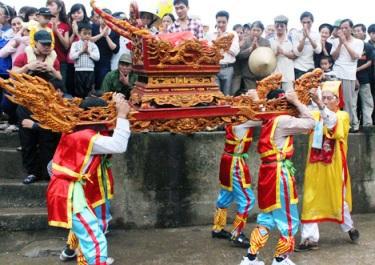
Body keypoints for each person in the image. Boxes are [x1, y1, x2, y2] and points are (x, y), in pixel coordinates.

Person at [47, 93, 130, 265]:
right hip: (70, 191)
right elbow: (119, 145)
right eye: (104, 114)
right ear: (94, 116)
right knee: (95, 237)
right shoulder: (86, 137)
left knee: (85, 228)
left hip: (72, 188)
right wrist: (121, 116)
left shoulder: (73, 128)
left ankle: (72, 251)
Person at [239, 90, 315, 265]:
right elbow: (312, 122)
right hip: (279, 174)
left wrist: (257, 99)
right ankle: (280, 259)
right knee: (289, 219)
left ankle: (250, 258)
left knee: (266, 218)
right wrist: (296, 101)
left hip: (267, 172)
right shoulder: (282, 120)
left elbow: (264, 110)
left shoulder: (269, 118)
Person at [298, 86, 360, 251]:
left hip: (334, 166)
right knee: (310, 199)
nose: (325, 101)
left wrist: (319, 103)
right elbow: (301, 115)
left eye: (328, 98)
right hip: (315, 165)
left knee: (337, 200)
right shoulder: (315, 113)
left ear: (337, 100)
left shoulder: (343, 116)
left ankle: (348, 227)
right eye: (323, 97)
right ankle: (309, 239)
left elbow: (332, 123)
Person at [212, 90, 260, 248]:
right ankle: (237, 234)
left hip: (227, 160)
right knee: (247, 200)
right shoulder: (243, 121)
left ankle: (218, 228)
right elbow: (265, 117)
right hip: (235, 163)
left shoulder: (234, 118)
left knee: (225, 195)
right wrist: (256, 99)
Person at [331, 19, 364, 132]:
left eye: (346, 28)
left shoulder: (358, 42)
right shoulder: (335, 41)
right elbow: (334, 57)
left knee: (348, 102)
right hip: (336, 72)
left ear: (351, 29)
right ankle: (334, 124)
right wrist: (340, 43)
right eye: (342, 28)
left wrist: (345, 42)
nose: (343, 30)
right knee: (334, 100)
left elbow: (355, 56)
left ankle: (349, 124)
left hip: (349, 74)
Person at [207, 10, 239, 95]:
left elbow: (234, 51)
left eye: (223, 22)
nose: (221, 25)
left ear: (227, 22)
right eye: (219, 22)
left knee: (227, 95)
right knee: (215, 95)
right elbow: (208, 51)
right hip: (214, 68)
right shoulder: (210, 35)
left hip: (228, 68)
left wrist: (222, 39)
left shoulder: (233, 34)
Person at [237, 21, 270, 92]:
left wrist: (258, 49)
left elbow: (268, 57)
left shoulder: (266, 42)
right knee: (252, 97)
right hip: (248, 76)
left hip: (262, 75)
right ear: (250, 30)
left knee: (262, 96)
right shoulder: (245, 41)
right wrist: (250, 49)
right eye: (254, 30)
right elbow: (239, 56)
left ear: (262, 31)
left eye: (258, 30)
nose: (255, 32)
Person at [69, 22, 100, 98]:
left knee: (89, 90)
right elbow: (71, 57)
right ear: (79, 33)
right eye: (85, 33)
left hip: (90, 71)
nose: (87, 36)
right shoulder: (75, 44)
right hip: (78, 70)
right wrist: (81, 51)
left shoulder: (93, 45)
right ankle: (80, 106)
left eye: (89, 33)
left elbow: (97, 57)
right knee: (79, 90)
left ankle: (88, 106)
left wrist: (89, 52)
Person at [91, 8, 120, 90]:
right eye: (101, 18)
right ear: (99, 18)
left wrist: (106, 36)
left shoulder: (114, 31)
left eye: (106, 18)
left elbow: (115, 49)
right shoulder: (94, 27)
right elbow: (89, 40)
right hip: (92, 60)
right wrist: (101, 35)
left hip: (105, 63)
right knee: (91, 84)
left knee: (102, 84)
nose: (103, 20)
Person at [353, 23, 374, 127]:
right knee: (352, 103)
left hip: (364, 78)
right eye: (355, 31)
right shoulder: (350, 45)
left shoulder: (368, 46)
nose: (356, 32)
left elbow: (370, 62)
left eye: (359, 30)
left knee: (367, 102)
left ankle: (368, 124)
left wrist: (357, 69)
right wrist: (353, 73)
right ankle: (354, 125)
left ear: (363, 33)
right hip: (351, 79)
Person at [47, 0, 70, 90]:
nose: (48, 7)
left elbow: (66, 45)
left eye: (51, 5)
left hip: (60, 61)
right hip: (45, 61)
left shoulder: (65, 25)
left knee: (61, 87)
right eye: (47, 5)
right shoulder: (44, 23)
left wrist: (56, 31)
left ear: (59, 8)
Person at [269, 15, 296, 91]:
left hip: (288, 73)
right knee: (274, 97)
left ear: (286, 26)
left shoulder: (291, 39)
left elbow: (295, 55)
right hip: (274, 73)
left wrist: (283, 52)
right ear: (274, 26)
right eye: (277, 26)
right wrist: (276, 53)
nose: (279, 28)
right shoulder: (270, 40)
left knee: (289, 96)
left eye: (282, 26)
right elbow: (267, 57)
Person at [293, 11, 322, 79]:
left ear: (312, 22)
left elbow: (318, 51)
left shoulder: (316, 34)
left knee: (310, 89)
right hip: (298, 67)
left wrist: (309, 37)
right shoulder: (296, 33)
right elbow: (297, 53)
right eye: (304, 22)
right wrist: (304, 37)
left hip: (310, 67)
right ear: (301, 22)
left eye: (308, 22)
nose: (306, 24)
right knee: (298, 89)